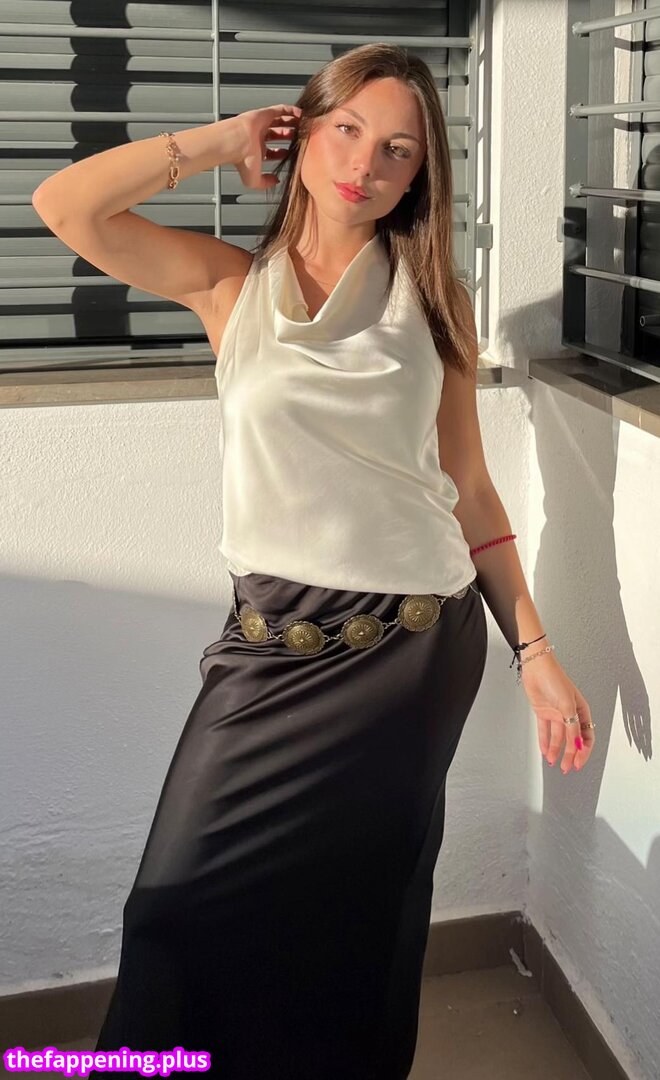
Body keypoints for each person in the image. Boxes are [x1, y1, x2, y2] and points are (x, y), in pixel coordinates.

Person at [32, 42, 595, 1080]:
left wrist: (536, 650)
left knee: (358, 930)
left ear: (419, 174)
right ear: (303, 131)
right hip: (267, 647)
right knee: (171, 916)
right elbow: (64, 206)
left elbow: (470, 490)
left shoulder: (434, 300)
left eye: (398, 150)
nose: (365, 164)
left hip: (411, 652)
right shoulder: (228, 285)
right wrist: (221, 141)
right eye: (346, 130)